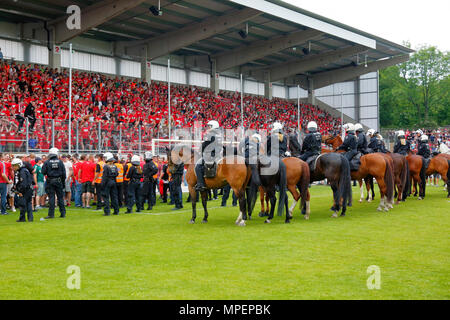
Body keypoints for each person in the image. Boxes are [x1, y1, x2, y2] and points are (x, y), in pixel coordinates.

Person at [195, 120, 222, 192]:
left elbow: (205, 144)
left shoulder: (210, 134)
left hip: (211, 154)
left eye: (209, 126)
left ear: (213, 126)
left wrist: (200, 150)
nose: (208, 127)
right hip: (218, 154)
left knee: (198, 166)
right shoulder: (219, 134)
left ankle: (201, 184)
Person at [41, 147, 66, 219]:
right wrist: (63, 183)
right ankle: (63, 213)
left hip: (50, 181)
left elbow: (43, 172)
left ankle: (51, 214)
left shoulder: (47, 162)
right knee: (60, 198)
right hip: (59, 181)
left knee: (51, 197)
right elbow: (63, 173)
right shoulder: (60, 162)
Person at [11, 158, 33, 222]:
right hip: (29, 189)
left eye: (15, 165)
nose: (13, 167)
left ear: (19, 165)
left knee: (22, 204)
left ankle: (22, 218)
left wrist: (20, 191)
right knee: (28, 204)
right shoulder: (24, 170)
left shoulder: (22, 172)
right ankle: (30, 218)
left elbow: (23, 183)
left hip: (25, 190)